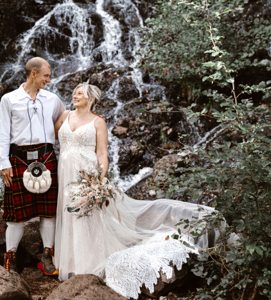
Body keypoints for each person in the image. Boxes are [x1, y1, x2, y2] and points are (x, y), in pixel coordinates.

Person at [53, 83, 226, 298]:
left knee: (89, 218)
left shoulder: (98, 122)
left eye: (80, 93)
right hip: (64, 171)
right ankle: (69, 261)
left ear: (91, 98)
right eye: (74, 92)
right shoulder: (64, 116)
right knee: (69, 215)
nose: (74, 95)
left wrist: (99, 179)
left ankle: (88, 266)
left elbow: (102, 154)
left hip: (86, 174)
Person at [0, 57, 65, 275]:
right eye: (46, 75)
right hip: (18, 160)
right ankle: (11, 260)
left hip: (46, 158)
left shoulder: (52, 99)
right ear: (33, 74)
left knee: (49, 213)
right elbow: (3, 133)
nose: (49, 79)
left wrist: (90, 118)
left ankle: (47, 257)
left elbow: (63, 121)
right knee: (15, 217)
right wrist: (3, 163)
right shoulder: (9, 99)